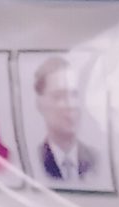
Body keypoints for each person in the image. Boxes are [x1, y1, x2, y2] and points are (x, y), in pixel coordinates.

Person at [31, 56, 98, 185]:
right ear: (40, 104)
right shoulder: (35, 160)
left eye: (74, 95)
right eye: (59, 96)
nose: (71, 105)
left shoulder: (95, 159)